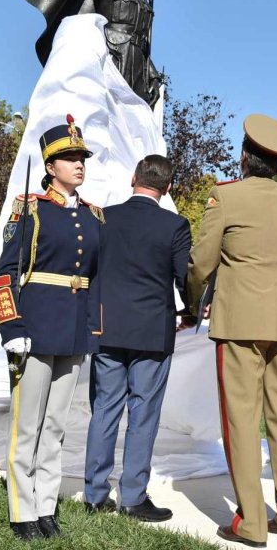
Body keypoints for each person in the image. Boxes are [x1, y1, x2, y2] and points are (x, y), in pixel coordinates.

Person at [186, 114, 277, 548]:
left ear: (244, 158)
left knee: (242, 422)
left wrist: (193, 303)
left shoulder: (226, 197)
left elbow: (201, 263)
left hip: (239, 326)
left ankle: (252, 522)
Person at [0, 116, 103, 542]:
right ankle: (22, 510)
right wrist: (11, 328)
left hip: (72, 333)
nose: (79, 164)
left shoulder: (94, 218)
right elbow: (4, 276)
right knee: (27, 426)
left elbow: (96, 280)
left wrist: (92, 331)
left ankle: (46, 505)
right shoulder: (30, 209)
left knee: (56, 426)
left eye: (81, 158)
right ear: (50, 165)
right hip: (34, 329)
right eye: (69, 157)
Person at [83, 154, 191, 522]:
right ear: (168, 188)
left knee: (104, 410)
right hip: (151, 331)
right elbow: (184, 278)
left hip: (107, 327)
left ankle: (95, 494)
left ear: (134, 178)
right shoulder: (175, 225)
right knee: (143, 414)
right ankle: (132, 497)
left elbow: (88, 270)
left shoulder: (103, 219)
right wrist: (191, 310)